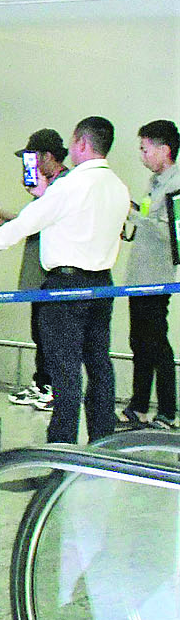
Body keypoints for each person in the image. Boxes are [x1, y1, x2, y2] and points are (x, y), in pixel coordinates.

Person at [0, 117, 132, 444]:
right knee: (99, 365)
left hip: (66, 286)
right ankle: (103, 443)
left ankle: (62, 448)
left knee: (65, 372)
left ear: (82, 143)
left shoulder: (70, 186)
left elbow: (25, 224)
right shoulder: (119, 188)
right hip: (102, 285)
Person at [0, 129, 70, 412]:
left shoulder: (64, 187)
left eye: (32, 159)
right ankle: (42, 383)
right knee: (40, 331)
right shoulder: (46, 189)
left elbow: (39, 223)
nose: (28, 166)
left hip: (55, 274)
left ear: (47, 156)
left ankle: (53, 388)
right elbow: (29, 223)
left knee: (53, 334)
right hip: (39, 273)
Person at [120, 119, 180, 429]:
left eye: (145, 149)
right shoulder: (154, 183)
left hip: (157, 277)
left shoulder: (176, 185)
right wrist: (132, 216)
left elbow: (171, 234)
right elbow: (148, 218)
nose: (141, 156)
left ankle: (168, 412)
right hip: (139, 275)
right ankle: (139, 406)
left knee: (157, 344)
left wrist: (132, 215)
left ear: (164, 149)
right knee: (139, 342)